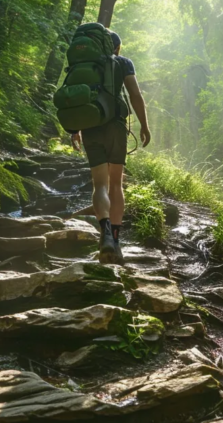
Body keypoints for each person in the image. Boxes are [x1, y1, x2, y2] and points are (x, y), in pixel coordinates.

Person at [71, 31, 151, 262]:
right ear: (116, 47)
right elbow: (135, 94)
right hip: (115, 126)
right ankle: (115, 241)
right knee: (116, 183)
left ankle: (104, 232)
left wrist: (75, 129)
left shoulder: (84, 65)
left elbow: (77, 98)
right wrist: (144, 125)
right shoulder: (123, 63)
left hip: (90, 126)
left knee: (99, 184)